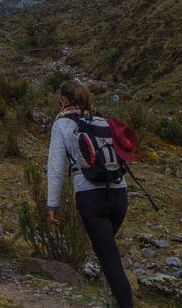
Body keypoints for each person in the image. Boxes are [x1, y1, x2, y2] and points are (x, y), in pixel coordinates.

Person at [46, 80, 132, 306]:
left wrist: (52, 204)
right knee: (106, 249)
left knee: (108, 256)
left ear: (64, 100)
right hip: (119, 194)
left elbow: (55, 169)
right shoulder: (103, 121)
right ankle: (114, 297)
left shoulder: (62, 125)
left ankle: (124, 301)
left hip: (90, 196)